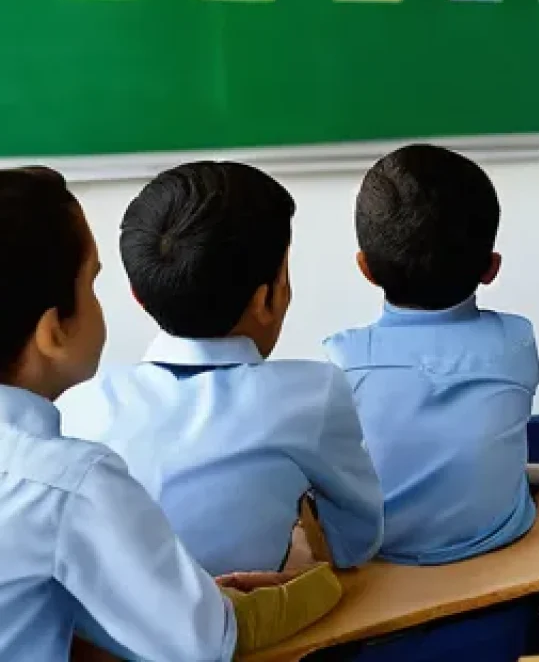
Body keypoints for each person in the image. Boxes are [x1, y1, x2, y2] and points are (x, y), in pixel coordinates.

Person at [0, 166, 342, 661]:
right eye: (92, 282)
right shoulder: (69, 484)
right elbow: (205, 642)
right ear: (53, 331)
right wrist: (319, 584)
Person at [59, 161, 383, 576]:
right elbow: (356, 542)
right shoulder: (313, 394)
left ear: (137, 296)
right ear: (266, 299)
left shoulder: (80, 406)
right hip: (257, 614)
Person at [325, 144, 539, 565]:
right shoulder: (518, 339)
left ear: (364, 268)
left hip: (384, 563)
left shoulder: (342, 358)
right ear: (492, 268)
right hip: (503, 552)